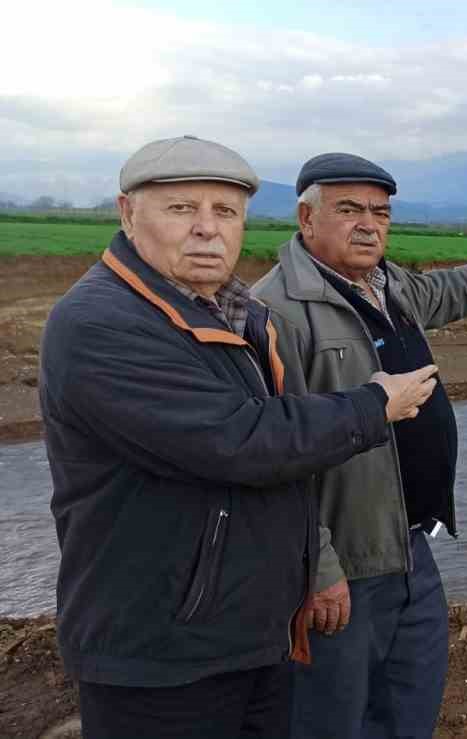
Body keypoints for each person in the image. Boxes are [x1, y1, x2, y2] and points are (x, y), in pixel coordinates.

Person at [40, 136, 441, 739]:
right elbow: (242, 441)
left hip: (247, 632)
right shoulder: (103, 323)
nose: (207, 230)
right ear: (127, 212)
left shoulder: (224, 312)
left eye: (225, 212)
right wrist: (374, 404)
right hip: (162, 650)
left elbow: (279, 468)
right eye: (182, 209)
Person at [251, 152, 467, 738]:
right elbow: (275, 454)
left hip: (410, 542)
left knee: (408, 706)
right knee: (331, 717)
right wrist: (317, 567)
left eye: (381, 212)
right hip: (342, 564)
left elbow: (448, 290)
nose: (369, 224)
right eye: (349, 210)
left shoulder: (387, 285)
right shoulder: (275, 311)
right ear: (306, 217)